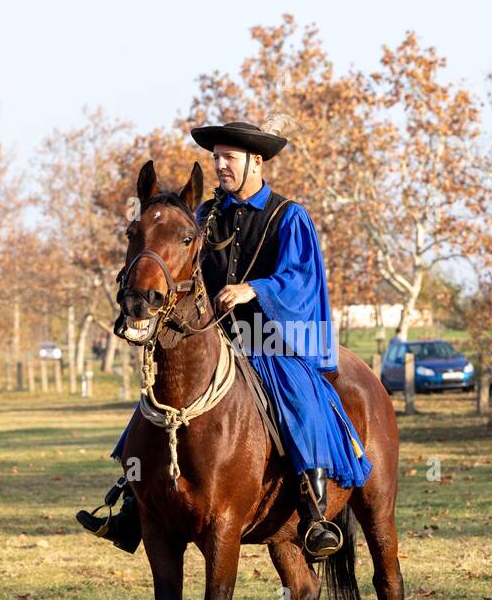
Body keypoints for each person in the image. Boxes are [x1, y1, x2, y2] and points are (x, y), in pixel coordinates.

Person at [76, 119, 371, 555]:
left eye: (228, 158)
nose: (220, 166)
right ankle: (133, 507)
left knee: (300, 401)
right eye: (215, 158)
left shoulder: (289, 216)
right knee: (155, 408)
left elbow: (303, 280)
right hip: (215, 339)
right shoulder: (203, 215)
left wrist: (256, 289)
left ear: (256, 161)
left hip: (272, 340)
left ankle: (315, 514)